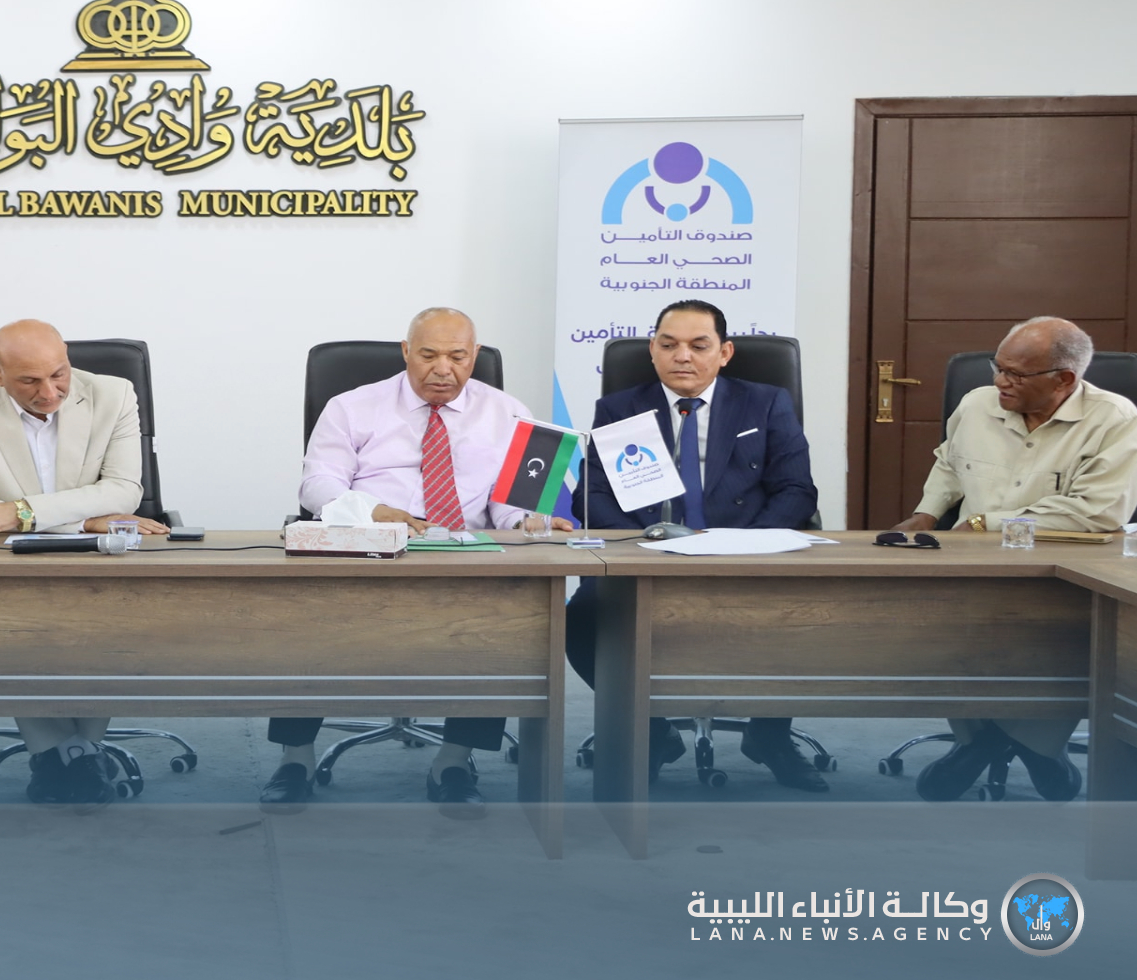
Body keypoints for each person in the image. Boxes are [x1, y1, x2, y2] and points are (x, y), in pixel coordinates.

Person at [262, 307, 569, 819]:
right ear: (406, 351)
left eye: (457, 357)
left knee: (504, 622)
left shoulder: (510, 413)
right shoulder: (351, 406)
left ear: (475, 356)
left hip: (466, 561)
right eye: (428, 355)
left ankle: (454, 762)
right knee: (307, 614)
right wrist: (370, 510)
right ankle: (295, 760)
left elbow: (512, 504)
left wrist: (529, 520)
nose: (442, 369)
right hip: (368, 551)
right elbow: (317, 484)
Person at [568, 299, 827, 791]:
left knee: (801, 615)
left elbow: (797, 490)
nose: (682, 356)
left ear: (724, 352)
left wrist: (745, 547)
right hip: (646, 557)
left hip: (742, 555)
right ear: (652, 350)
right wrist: (643, 546)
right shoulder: (619, 409)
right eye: (669, 345)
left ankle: (770, 735)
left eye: (698, 345)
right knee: (581, 618)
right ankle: (653, 734)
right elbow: (592, 495)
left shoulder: (765, 403)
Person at [890, 316, 1137, 803]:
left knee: (1058, 645)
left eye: (1016, 374)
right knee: (947, 641)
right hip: (972, 569)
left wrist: (986, 523)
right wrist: (928, 512)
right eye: (998, 367)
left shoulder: (1114, 421)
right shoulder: (976, 405)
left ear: (1064, 379)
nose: (1000, 381)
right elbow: (950, 462)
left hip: (1060, 574)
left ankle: (1010, 746)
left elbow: (1098, 511)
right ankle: (1010, 745)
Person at [0, 319, 166, 810]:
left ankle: (60, 757)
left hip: (99, 561)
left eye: (59, 374)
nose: (50, 392)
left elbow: (124, 490)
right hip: (10, 563)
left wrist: (21, 512)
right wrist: (85, 519)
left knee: (107, 624)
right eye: (30, 381)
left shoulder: (114, 395)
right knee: (16, 628)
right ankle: (76, 755)